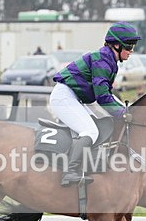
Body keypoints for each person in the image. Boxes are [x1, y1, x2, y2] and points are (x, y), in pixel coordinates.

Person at [49, 22, 139, 186]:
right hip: (64, 97)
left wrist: (125, 109)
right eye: (129, 45)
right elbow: (102, 97)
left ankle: (85, 167)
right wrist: (122, 113)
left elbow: (108, 94)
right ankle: (71, 172)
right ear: (116, 45)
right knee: (90, 131)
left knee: (98, 127)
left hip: (73, 97)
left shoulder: (109, 60)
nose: (131, 50)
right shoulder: (103, 60)